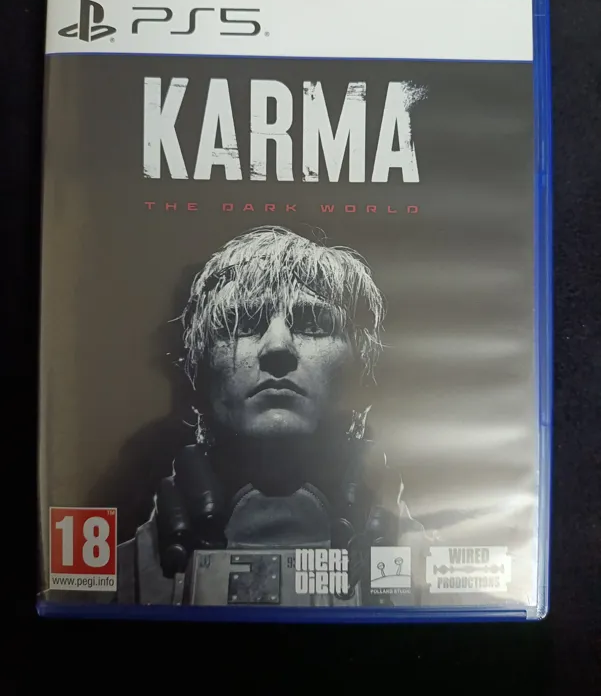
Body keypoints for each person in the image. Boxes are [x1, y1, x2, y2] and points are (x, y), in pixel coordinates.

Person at [117, 226, 427, 606]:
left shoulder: (440, 583)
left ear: (363, 369)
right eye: (244, 323)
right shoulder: (110, 587)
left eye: (314, 324)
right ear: (198, 371)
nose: (277, 347)